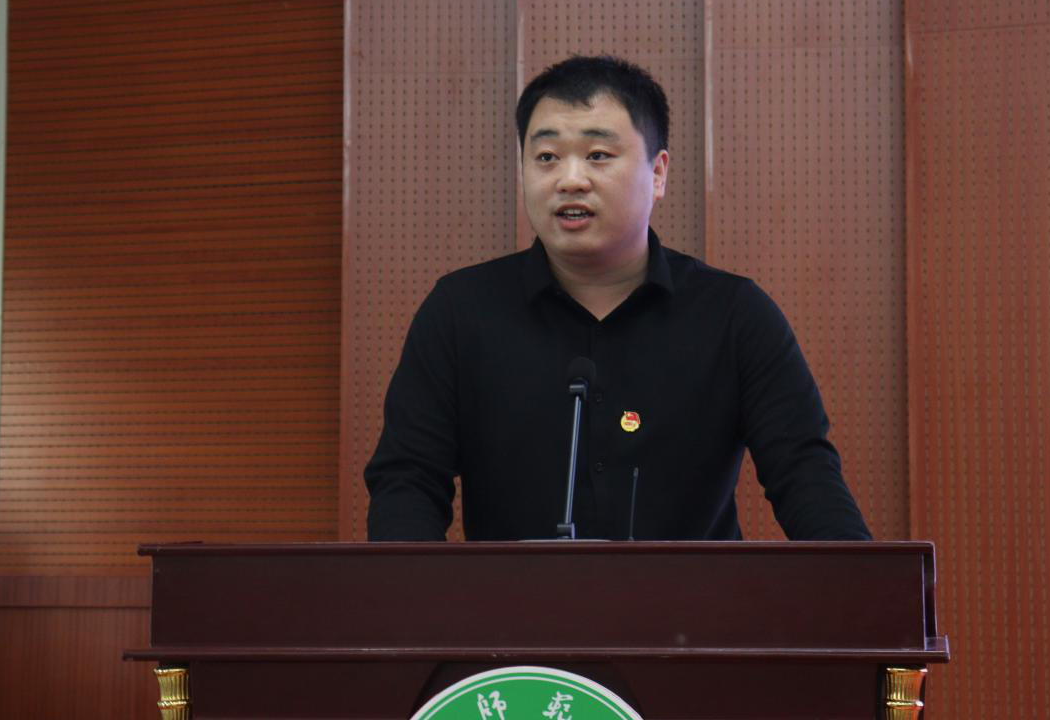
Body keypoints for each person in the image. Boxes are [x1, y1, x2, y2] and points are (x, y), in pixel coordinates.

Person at [364, 55, 870, 542]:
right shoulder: (460, 312)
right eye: (546, 157)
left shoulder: (734, 316)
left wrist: (859, 587)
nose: (570, 180)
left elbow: (805, 476)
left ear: (658, 173)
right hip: (514, 603)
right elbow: (408, 481)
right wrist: (418, 595)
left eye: (598, 156)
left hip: (693, 604)